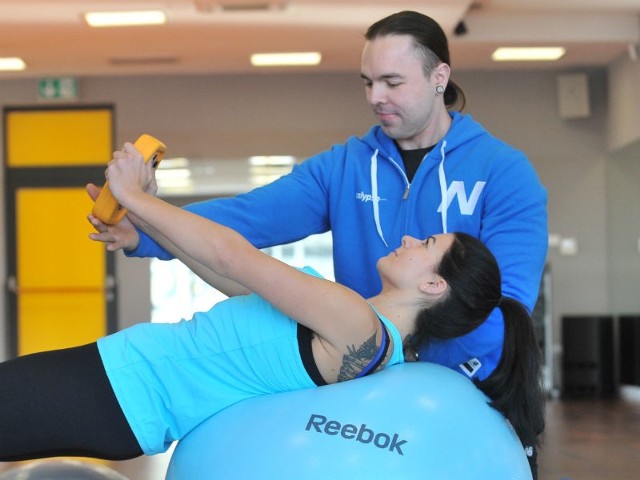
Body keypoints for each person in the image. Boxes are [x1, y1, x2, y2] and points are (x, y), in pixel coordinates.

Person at [2, 143, 544, 477]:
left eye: (425, 243)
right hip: (125, 387)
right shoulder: (355, 320)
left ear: (432, 284)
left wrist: (140, 199)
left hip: (127, 391)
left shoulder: (359, 327)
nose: (408, 238)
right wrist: (139, 230)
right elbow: (228, 277)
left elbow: (233, 254)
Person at [87, 10, 548, 386]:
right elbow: (247, 217)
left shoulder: (504, 173)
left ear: (439, 77)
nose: (375, 97)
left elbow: (505, 306)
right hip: (367, 381)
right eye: (367, 82)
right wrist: (142, 231)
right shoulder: (344, 166)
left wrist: (412, 363)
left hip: (466, 391)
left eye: (392, 82)